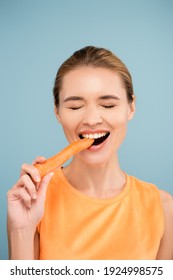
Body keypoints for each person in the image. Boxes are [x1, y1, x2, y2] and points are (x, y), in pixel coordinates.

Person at [7, 46, 173, 260]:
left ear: (131, 107)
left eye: (108, 105)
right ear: (57, 111)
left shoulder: (163, 208)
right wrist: (21, 229)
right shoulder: (33, 202)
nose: (92, 119)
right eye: (75, 107)